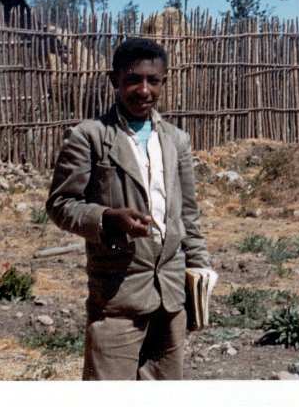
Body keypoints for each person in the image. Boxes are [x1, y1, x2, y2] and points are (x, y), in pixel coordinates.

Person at [47, 37, 213, 380]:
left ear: (164, 82)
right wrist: (107, 218)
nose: (144, 90)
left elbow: (187, 216)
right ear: (115, 80)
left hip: (170, 294)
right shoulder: (90, 137)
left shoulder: (176, 140)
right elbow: (61, 204)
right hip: (117, 295)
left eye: (153, 80)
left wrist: (200, 272)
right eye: (133, 79)